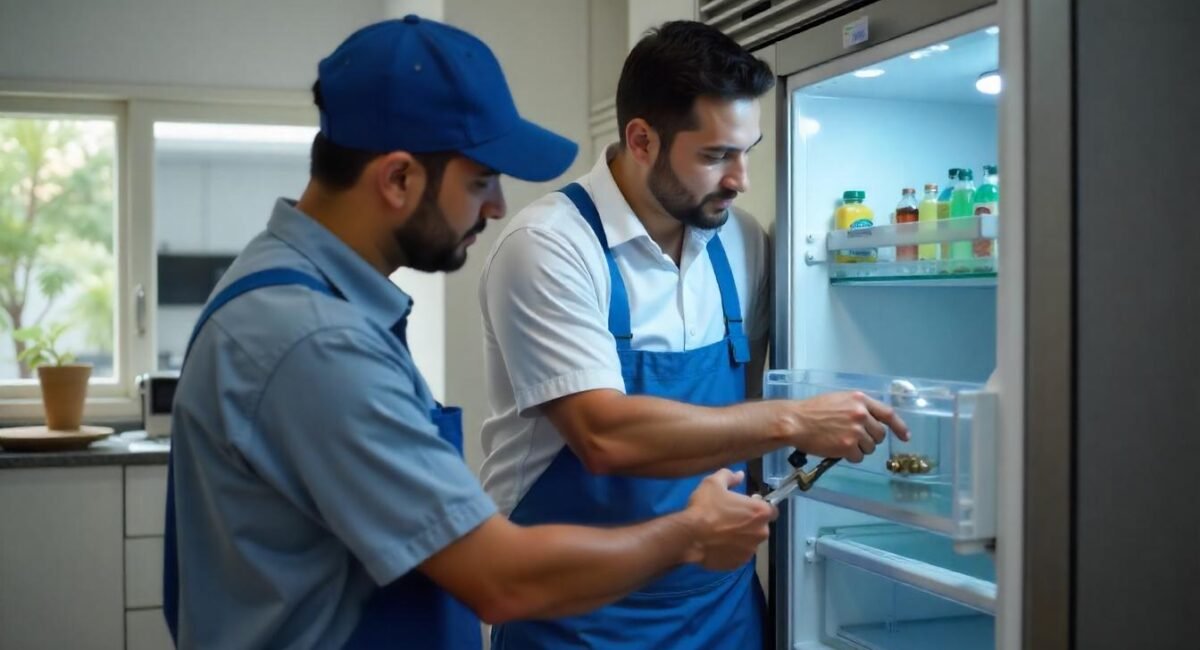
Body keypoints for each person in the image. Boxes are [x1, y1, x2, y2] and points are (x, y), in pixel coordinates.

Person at [161, 16, 777, 650]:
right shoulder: (315, 340)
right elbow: (497, 578)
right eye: (481, 180)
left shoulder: (299, 295)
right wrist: (690, 533)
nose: (497, 208)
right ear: (398, 178)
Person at [478, 20, 910, 649]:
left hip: (721, 611)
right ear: (642, 139)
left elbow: (749, 421)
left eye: (747, 150)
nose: (741, 179)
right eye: (715, 156)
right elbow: (603, 435)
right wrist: (793, 420)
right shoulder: (549, 247)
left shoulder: (741, 242)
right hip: (578, 615)